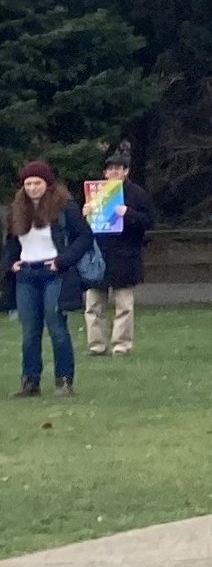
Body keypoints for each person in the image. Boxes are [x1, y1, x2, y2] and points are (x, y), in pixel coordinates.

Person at [10, 160, 87, 397]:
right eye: (28, 184)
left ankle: (64, 380)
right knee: (30, 330)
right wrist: (10, 264)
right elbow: (12, 242)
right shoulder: (17, 208)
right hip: (26, 275)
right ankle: (30, 382)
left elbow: (84, 237)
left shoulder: (65, 207)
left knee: (56, 326)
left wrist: (62, 261)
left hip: (54, 273)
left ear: (47, 184)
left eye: (37, 183)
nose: (32, 188)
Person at [80, 164, 154, 358]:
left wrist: (128, 214)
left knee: (124, 306)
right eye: (110, 169)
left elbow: (149, 222)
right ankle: (96, 346)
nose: (114, 172)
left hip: (126, 257)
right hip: (98, 257)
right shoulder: (94, 193)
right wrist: (84, 214)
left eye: (118, 168)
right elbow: (79, 229)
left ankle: (122, 346)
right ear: (104, 172)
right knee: (93, 305)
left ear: (126, 171)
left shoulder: (137, 194)